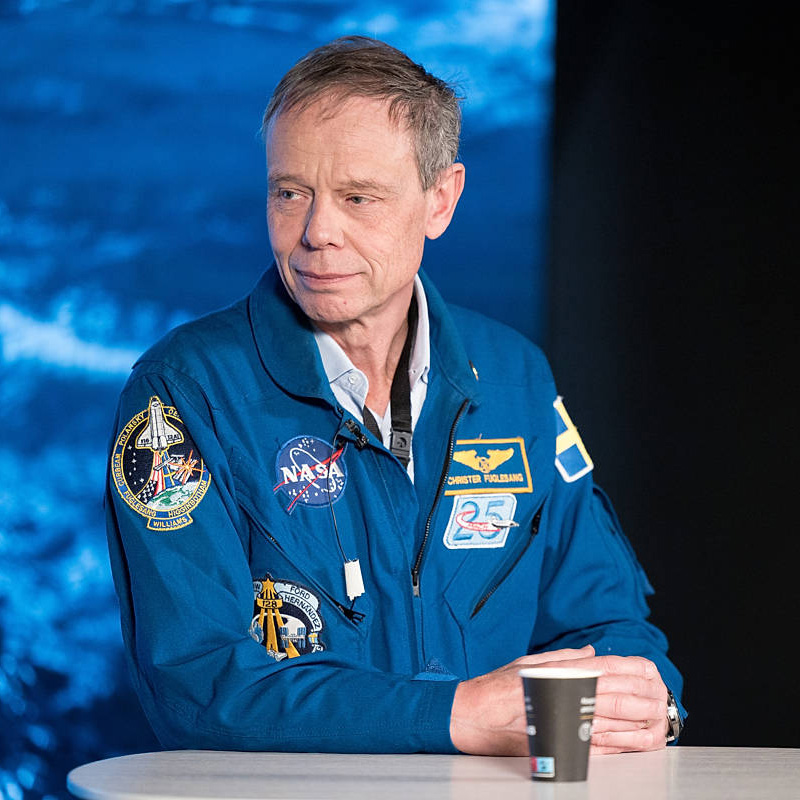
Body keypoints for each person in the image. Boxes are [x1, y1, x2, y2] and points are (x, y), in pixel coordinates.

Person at [105, 36, 685, 756]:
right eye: (290, 193)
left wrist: (651, 705)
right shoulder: (183, 396)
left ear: (440, 200)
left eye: (358, 197)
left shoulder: (515, 379)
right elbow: (197, 686)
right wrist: (458, 715)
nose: (317, 232)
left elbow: (611, 624)